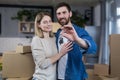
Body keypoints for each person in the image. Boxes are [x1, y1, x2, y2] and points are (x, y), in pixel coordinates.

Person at [55, 2, 97, 80]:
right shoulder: (58, 32)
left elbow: (93, 47)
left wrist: (77, 40)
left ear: (70, 14)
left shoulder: (79, 31)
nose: (61, 16)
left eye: (64, 12)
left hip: (75, 76)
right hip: (59, 76)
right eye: (59, 13)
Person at [31, 12, 73, 80]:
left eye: (50, 21)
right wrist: (61, 53)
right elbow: (42, 64)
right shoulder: (37, 40)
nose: (48, 24)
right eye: (45, 22)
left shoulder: (54, 38)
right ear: (39, 25)